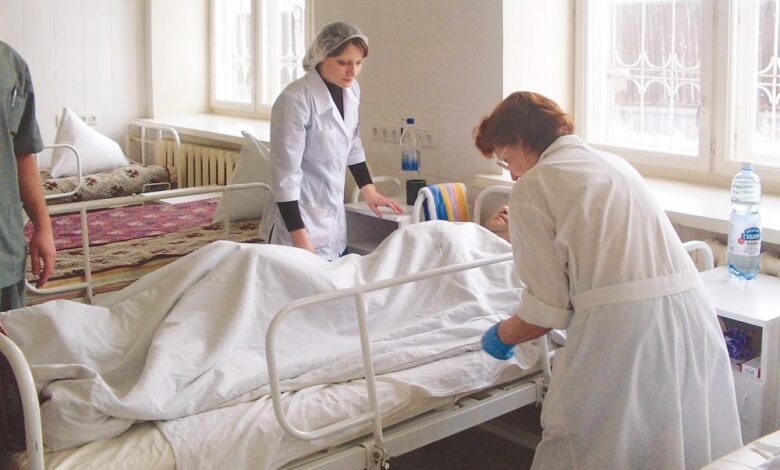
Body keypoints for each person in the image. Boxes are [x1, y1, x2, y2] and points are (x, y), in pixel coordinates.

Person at [474, 91, 741, 469]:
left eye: (506, 159)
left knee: (585, 442)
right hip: (691, 315)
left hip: (625, 332)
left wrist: (501, 336)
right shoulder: (613, 163)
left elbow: (545, 310)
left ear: (520, 140)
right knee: (678, 441)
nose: (512, 173)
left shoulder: (534, 187)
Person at [260, 22, 402, 260]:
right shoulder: (295, 99)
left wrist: (369, 191)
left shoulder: (351, 91)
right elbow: (286, 176)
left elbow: (352, 144)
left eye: (358, 63)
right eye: (343, 62)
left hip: (331, 220)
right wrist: (299, 235)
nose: (352, 71)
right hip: (298, 221)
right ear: (321, 56)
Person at [0, 40, 55, 311]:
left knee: (9, 335)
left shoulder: (10, 64)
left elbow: (22, 153)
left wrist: (43, 227)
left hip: (4, 250)